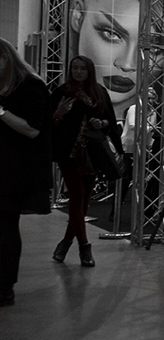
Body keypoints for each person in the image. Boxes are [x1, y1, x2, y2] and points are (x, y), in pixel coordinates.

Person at [50, 56, 120, 268]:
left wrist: (101, 123)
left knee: (83, 202)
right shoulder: (62, 92)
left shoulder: (99, 92)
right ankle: (84, 247)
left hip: (92, 153)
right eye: (75, 68)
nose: (78, 72)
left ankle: (65, 243)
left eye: (82, 68)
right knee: (77, 197)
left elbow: (111, 121)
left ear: (90, 71)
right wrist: (59, 114)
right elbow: (47, 123)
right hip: (69, 153)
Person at [0, 38, 52, 306]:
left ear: (6, 58)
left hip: (14, 172)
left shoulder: (31, 85)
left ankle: (5, 285)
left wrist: (0, 111)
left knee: (5, 226)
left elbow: (32, 129)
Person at [69, 0, 144, 123]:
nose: (127, 65)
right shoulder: (61, 94)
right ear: (78, 16)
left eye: (151, 48)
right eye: (111, 34)